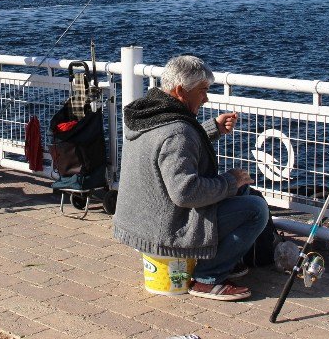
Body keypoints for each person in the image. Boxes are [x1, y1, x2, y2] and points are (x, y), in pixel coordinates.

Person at [113, 55, 269, 301]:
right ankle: (208, 278)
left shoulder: (148, 113)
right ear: (180, 91)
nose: (206, 98)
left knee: (244, 195)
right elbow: (185, 192)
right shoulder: (178, 131)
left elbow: (172, 147)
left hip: (141, 221)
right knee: (256, 209)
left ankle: (225, 260)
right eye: (202, 91)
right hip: (165, 230)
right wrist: (231, 180)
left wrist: (212, 129)